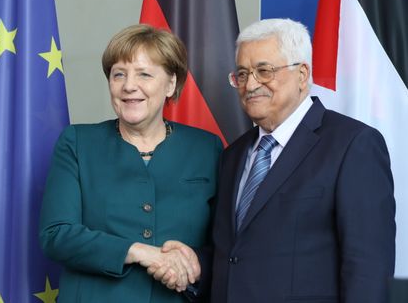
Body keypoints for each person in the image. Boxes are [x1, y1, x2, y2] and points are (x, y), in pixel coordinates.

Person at [153, 18, 396, 302]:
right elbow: (236, 253)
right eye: (242, 74)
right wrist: (196, 263)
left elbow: (368, 267)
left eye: (264, 71)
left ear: (302, 74)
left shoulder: (352, 144)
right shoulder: (232, 155)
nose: (250, 84)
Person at [39, 24, 222, 303]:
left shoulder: (207, 148)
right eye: (119, 74)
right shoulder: (77, 143)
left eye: (144, 74)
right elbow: (56, 235)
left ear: (171, 84)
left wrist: (193, 263)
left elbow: (226, 244)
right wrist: (138, 251)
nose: (128, 86)